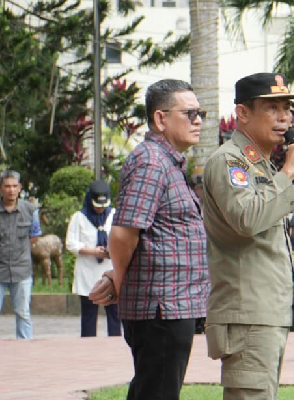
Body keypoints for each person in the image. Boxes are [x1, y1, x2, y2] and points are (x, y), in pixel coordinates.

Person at [88, 79, 211, 399]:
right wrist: (119, 278)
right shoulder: (151, 162)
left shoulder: (167, 163)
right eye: (190, 113)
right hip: (160, 309)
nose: (199, 120)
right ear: (161, 119)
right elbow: (122, 233)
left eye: (201, 113)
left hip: (171, 307)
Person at [200, 72, 294, 399]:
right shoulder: (229, 162)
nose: (284, 117)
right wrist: (290, 171)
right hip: (247, 315)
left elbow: (267, 237)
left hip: (267, 312)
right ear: (243, 113)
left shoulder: (261, 166)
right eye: (272, 108)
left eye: (287, 109)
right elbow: (247, 220)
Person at [66, 180, 120, 337]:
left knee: (115, 314)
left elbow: (122, 239)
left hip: (110, 270)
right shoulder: (79, 217)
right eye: (97, 205)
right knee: (89, 316)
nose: (100, 208)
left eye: (103, 205)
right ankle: (88, 347)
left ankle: (115, 345)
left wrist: (111, 250)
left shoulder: (114, 215)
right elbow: (70, 243)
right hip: (88, 272)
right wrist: (92, 251)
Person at [0, 170, 41, 340]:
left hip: (22, 270)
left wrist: (19, 251)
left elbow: (35, 236)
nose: (11, 190)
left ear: (20, 188)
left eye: (14, 186)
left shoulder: (30, 210)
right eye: (7, 186)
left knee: (23, 313)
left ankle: (24, 350)